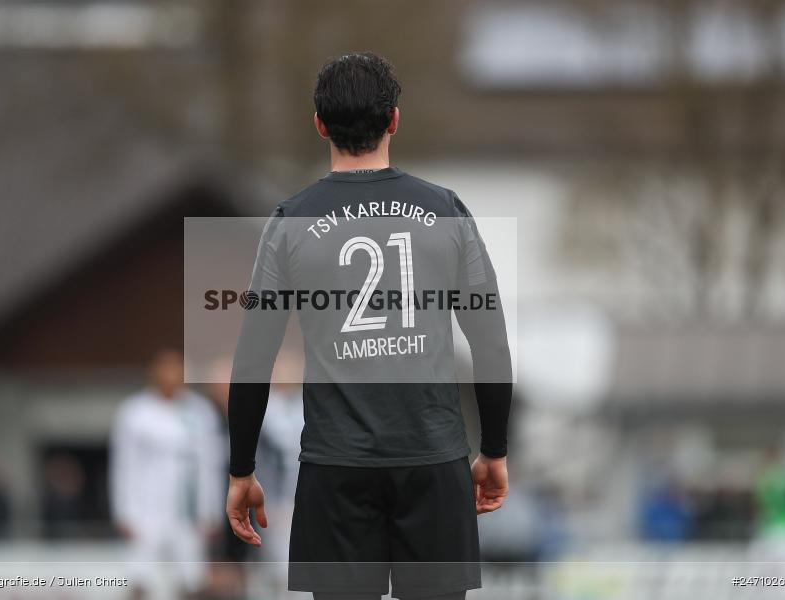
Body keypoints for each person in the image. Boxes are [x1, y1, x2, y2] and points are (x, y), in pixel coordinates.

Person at [225, 53, 513, 600]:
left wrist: (241, 470)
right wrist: (494, 450)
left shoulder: (290, 222)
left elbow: (252, 359)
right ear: (394, 119)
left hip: (336, 465)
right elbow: (490, 340)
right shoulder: (446, 209)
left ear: (319, 125)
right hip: (432, 458)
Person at [110, 350, 224, 600]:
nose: (172, 375)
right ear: (154, 373)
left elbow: (210, 465)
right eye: (166, 369)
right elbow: (123, 465)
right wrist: (124, 512)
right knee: (139, 578)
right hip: (146, 508)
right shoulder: (134, 411)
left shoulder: (201, 412)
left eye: (178, 369)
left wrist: (211, 511)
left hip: (188, 509)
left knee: (193, 579)